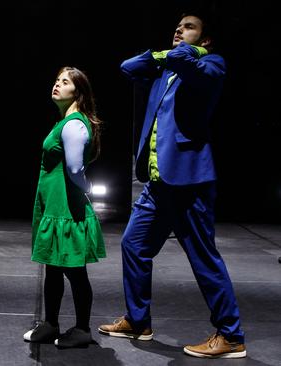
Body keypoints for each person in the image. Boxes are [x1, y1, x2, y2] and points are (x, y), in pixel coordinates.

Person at [98, 13, 246, 358]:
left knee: (203, 257)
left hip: (189, 180)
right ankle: (138, 320)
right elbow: (128, 66)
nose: (178, 30)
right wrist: (164, 54)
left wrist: (182, 52)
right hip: (158, 183)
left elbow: (183, 58)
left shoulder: (212, 64)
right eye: (177, 27)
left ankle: (231, 335)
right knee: (134, 245)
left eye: (188, 27)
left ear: (205, 40)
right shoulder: (167, 69)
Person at [23, 67, 105, 348]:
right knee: (53, 269)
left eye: (65, 82)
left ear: (78, 92)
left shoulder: (73, 124)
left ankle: (82, 329)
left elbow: (74, 168)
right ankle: (50, 324)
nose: (57, 84)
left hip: (66, 209)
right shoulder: (65, 122)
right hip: (56, 206)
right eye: (56, 79)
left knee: (74, 271)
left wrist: (85, 190)